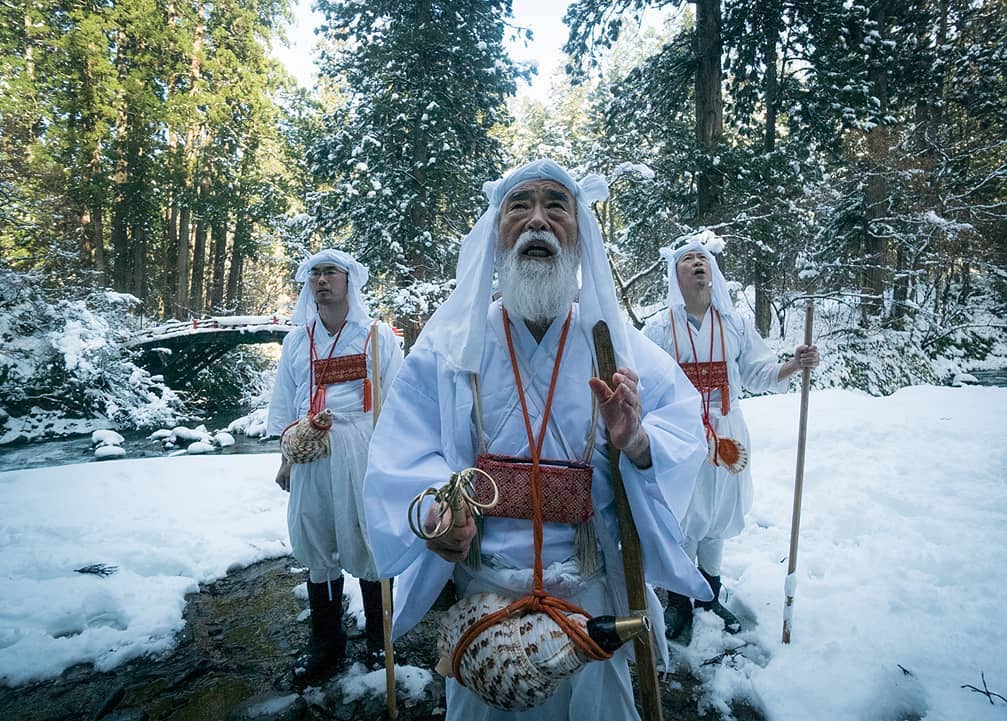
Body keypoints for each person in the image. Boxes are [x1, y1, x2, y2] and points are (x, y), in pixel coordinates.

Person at [362, 159, 711, 720]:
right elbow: (404, 452)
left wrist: (639, 442)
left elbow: (684, 430)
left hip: (591, 607)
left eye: (556, 206)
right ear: (497, 234)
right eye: (519, 207)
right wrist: (437, 514)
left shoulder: (617, 347)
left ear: (580, 233)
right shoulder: (452, 347)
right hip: (485, 608)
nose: (537, 221)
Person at [643, 239, 820, 642]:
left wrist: (794, 364)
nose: (697, 263)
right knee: (683, 515)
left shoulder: (735, 323)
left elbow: (759, 373)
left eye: (703, 258)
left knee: (718, 512)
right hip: (681, 432)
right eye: (687, 258)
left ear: (713, 272)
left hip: (727, 432)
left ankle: (710, 595)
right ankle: (680, 601)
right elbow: (647, 383)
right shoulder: (658, 328)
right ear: (676, 274)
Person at [267, 249, 404, 684]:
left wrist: (393, 463)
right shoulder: (296, 341)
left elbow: (398, 405)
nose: (321, 280)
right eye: (315, 274)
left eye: (330, 272)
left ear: (349, 282)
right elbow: (286, 402)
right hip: (311, 449)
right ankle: (326, 643)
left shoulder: (378, 337)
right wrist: (287, 457)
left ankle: (380, 639)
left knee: (366, 536)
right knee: (316, 537)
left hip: (363, 448)